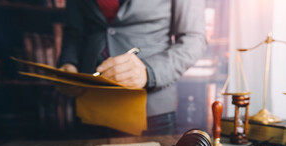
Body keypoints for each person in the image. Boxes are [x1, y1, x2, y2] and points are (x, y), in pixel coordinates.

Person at [57, 0, 206, 136]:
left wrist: (149, 72)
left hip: (150, 110)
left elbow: (193, 40)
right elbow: (74, 32)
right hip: (89, 106)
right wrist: (68, 62)